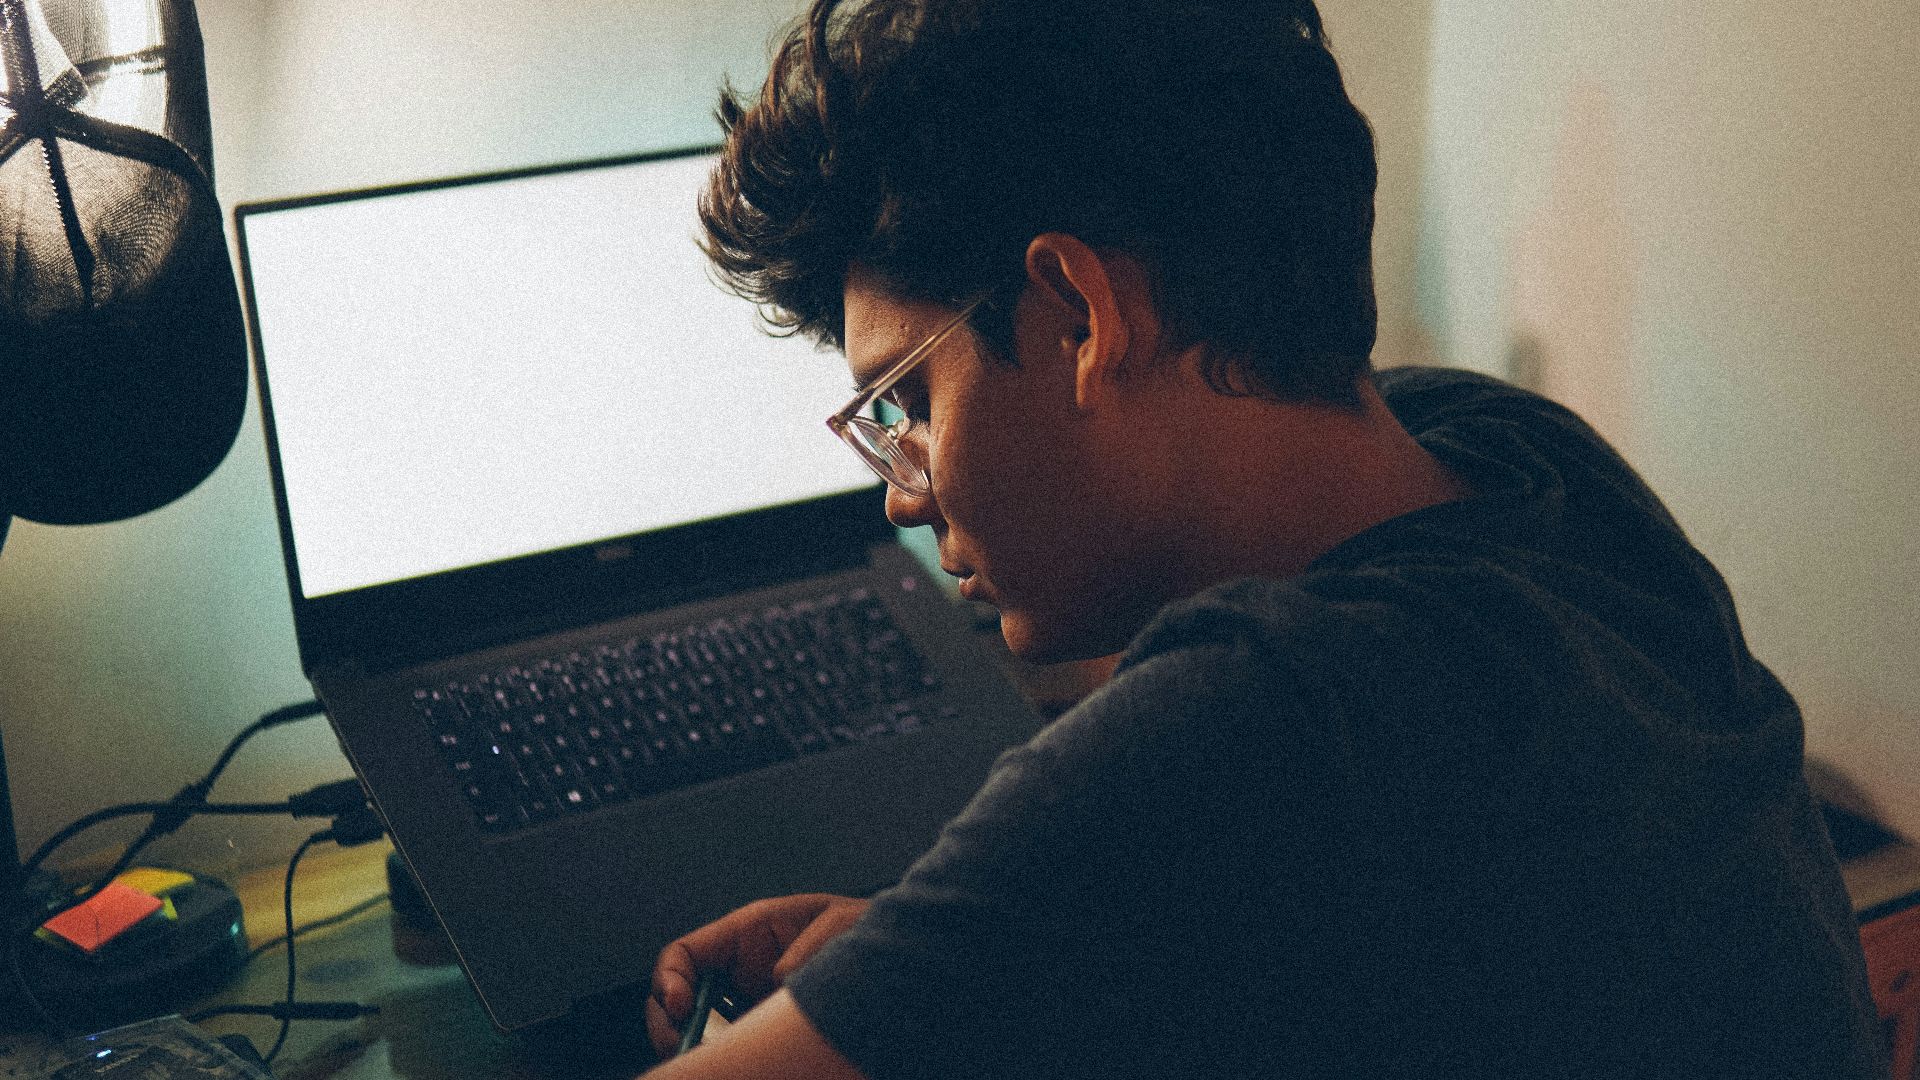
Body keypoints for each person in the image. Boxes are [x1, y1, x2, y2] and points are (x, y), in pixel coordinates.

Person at [637, 1, 1885, 1077]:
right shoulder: (1522, 468)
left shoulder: (1263, 719)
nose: (904, 493)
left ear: (1079, 313)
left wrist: (1001, 930)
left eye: (905, 401)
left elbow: (1236, 780)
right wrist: (981, 958)